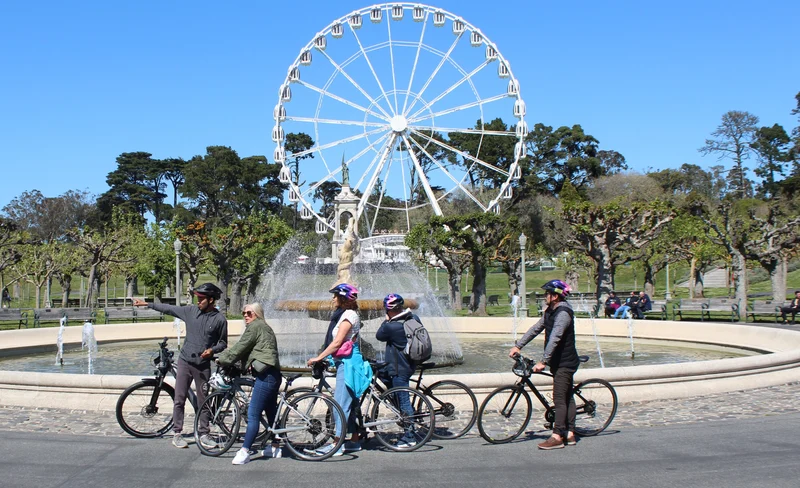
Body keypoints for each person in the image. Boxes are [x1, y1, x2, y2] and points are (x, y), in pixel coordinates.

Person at [133, 282, 228, 449]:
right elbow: (169, 309)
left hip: (202, 365)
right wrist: (146, 304)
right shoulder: (190, 311)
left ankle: (204, 433)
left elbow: (223, 343)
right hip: (185, 361)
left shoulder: (220, 319)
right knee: (179, 399)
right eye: (197, 298)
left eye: (201, 298)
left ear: (211, 300)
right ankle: (177, 433)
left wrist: (212, 350)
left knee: (204, 400)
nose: (197, 301)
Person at [509, 279, 579, 450]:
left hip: (565, 361)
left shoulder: (563, 313)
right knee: (567, 396)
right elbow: (536, 328)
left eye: (547, 294)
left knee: (559, 399)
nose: (544, 297)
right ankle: (570, 434)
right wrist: (519, 345)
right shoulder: (550, 311)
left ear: (555, 296)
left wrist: (543, 361)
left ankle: (557, 436)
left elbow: (555, 337)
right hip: (558, 361)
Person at [307, 283, 371, 457]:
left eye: (335, 295)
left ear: (343, 298)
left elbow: (337, 342)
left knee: (340, 405)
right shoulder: (346, 314)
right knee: (348, 403)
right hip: (344, 361)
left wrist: (319, 357)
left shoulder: (349, 315)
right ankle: (354, 440)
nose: (333, 298)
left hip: (349, 363)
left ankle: (336, 445)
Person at [218, 303, 281, 465]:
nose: (245, 315)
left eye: (249, 313)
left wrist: (222, 359)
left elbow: (240, 348)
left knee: (253, 414)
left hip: (265, 376)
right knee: (271, 412)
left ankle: (244, 451)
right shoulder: (264, 326)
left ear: (257, 314)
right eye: (243, 313)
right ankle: (275, 447)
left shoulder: (255, 327)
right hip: (272, 374)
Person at [375, 293, 420, 448]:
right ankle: (409, 414)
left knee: (403, 399)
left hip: (399, 368)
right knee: (393, 388)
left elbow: (379, 335)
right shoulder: (412, 318)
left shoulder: (391, 326)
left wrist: (385, 321)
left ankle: (409, 436)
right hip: (409, 364)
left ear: (390, 310)